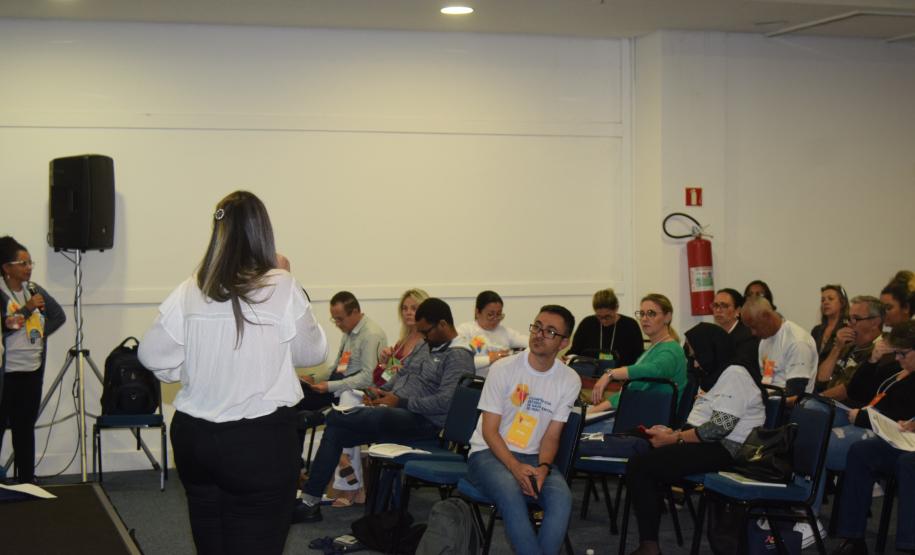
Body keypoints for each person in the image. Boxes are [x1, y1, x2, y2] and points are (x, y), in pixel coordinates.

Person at [137, 191, 329, 555]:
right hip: (258, 443)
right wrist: (289, 278)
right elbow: (312, 352)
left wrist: (190, 367)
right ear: (262, 233)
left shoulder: (191, 286)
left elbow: (150, 354)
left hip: (195, 439)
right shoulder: (281, 283)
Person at [294, 297, 474, 523]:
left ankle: (331, 413)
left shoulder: (458, 355)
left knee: (347, 417)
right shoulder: (425, 344)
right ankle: (310, 502)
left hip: (424, 423)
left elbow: (446, 402)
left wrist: (399, 402)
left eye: (427, 331)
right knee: (336, 431)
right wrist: (380, 391)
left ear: (443, 325)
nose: (424, 337)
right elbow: (400, 374)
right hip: (398, 414)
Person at [624, 323, 765, 555]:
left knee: (641, 466)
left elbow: (719, 428)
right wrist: (672, 433)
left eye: (697, 356)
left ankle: (649, 545)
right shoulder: (714, 375)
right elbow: (700, 422)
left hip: (729, 450)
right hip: (706, 443)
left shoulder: (735, 374)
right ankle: (650, 540)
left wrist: (674, 439)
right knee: (639, 444)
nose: (695, 363)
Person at [466, 305, 581, 555]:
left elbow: (552, 436)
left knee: (562, 499)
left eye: (550, 331)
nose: (539, 334)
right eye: (537, 326)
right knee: (510, 491)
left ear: (564, 343)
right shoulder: (503, 369)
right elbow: (489, 431)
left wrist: (543, 468)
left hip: (534, 457)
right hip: (488, 453)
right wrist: (514, 467)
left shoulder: (569, 379)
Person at [831, 322, 915, 555]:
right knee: (862, 451)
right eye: (896, 352)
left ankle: (908, 545)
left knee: (908, 464)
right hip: (906, 440)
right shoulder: (902, 373)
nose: (898, 358)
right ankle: (853, 537)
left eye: (903, 353)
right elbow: (859, 391)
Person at [0, 236, 66, 484]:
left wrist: (38, 334)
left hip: (31, 371)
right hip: (6, 374)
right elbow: (7, 326)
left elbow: (58, 316)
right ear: (7, 267)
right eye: (22, 263)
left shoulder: (35, 290)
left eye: (30, 263)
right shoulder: (2, 294)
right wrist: (27, 309)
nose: (28, 268)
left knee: (24, 428)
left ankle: (27, 480)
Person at [589, 293, 687, 412]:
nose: (645, 318)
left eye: (651, 313)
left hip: (652, 420)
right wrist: (594, 411)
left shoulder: (672, 349)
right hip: (637, 410)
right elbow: (630, 390)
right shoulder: (654, 348)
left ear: (667, 317)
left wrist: (610, 374)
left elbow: (655, 369)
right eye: (642, 314)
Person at [299, 291, 386, 408]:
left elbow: (368, 377)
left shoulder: (371, 335)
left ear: (355, 312)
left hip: (352, 393)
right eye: (334, 319)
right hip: (340, 385)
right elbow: (340, 367)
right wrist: (314, 379)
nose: (337, 324)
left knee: (299, 400)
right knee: (298, 392)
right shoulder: (349, 332)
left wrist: (330, 386)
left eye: (340, 319)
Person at [741, 296, 817, 400]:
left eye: (754, 326)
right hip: (772, 402)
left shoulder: (797, 342)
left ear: (767, 316)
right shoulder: (765, 340)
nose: (753, 333)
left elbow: (795, 393)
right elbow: (767, 379)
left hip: (792, 409)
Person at [817, 295, 883, 396]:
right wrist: (837, 348)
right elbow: (821, 378)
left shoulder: (880, 351)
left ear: (875, 323)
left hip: (847, 407)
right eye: (849, 318)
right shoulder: (847, 344)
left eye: (856, 318)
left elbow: (849, 390)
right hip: (827, 401)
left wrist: (816, 399)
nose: (849, 324)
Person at [567, 287, 644, 368]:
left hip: (622, 376)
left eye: (608, 316)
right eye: (599, 316)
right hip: (590, 375)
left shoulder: (630, 325)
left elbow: (639, 357)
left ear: (616, 308)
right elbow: (575, 351)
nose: (603, 321)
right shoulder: (587, 323)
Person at [457, 290, 528, 377]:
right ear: (477, 312)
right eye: (490, 315)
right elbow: (460, 362)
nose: (495, 319)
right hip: (475, 383)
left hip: (501, 381)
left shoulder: (506, 332)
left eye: (499, 314)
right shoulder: (465, 330)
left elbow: (531, 343)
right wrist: (490, 358)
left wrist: (511, 355)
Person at [373, 288, 430, 386]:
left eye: (414, 308)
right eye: (405, 308)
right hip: (389, 394)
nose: (408, 312)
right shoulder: (401, 343)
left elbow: (424, 381)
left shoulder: (429, 344)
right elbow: (383, 379)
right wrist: (384, 363)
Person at [712, 287, 759, 382]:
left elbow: (739, 369)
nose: (718, 310)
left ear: (738, 310)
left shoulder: (747, 336)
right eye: (715, 305)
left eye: (724, 306)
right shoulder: (712, 334)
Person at [811, 284, 849, 361]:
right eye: (823, 300)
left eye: (830, 299)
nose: (825, 302)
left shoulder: (846, 329)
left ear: (842, 303)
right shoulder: (816, 330)